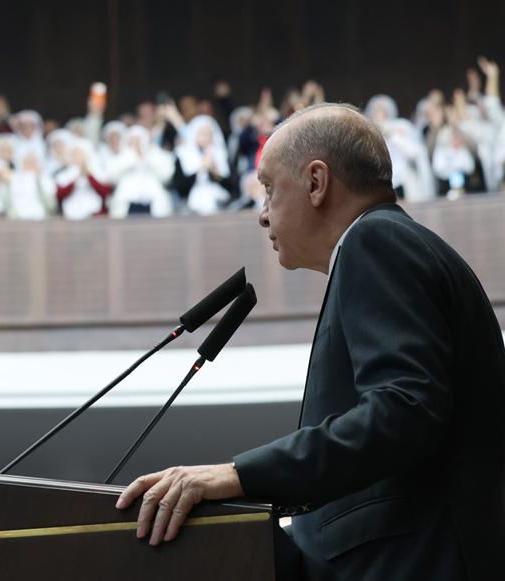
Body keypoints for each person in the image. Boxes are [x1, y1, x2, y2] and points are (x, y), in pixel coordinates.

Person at [115, 103, 505, 581]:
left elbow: (404, 410)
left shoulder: (375, 240)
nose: (262, 215)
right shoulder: (390, 245)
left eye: (268, 189)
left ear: (316, 182)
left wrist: (236, 476)